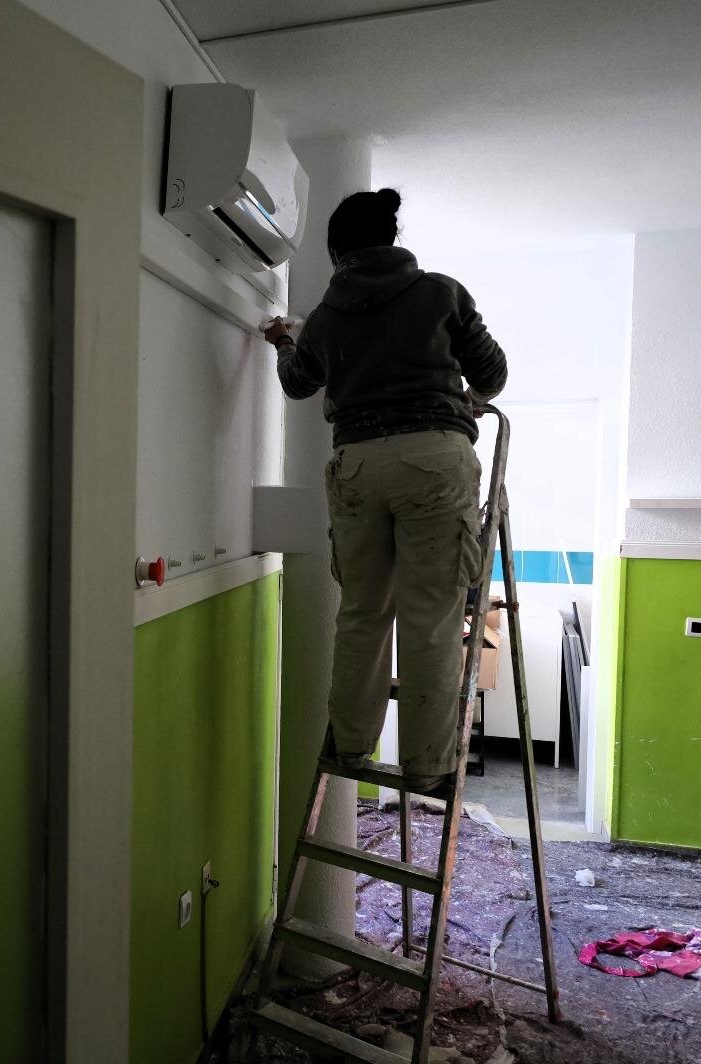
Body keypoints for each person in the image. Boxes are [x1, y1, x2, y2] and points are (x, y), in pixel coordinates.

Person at [263, 188, 507, 794]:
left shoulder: (325, 318)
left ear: (337, 251)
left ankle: (350, 746)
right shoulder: (441, 293)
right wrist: (463, 397)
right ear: (392, 237)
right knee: (431, 618)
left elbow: (297, 384)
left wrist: (284, 341)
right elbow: (492, 374)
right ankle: (427, 765)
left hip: (357, 466)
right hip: (434, 461)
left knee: (363, 612)